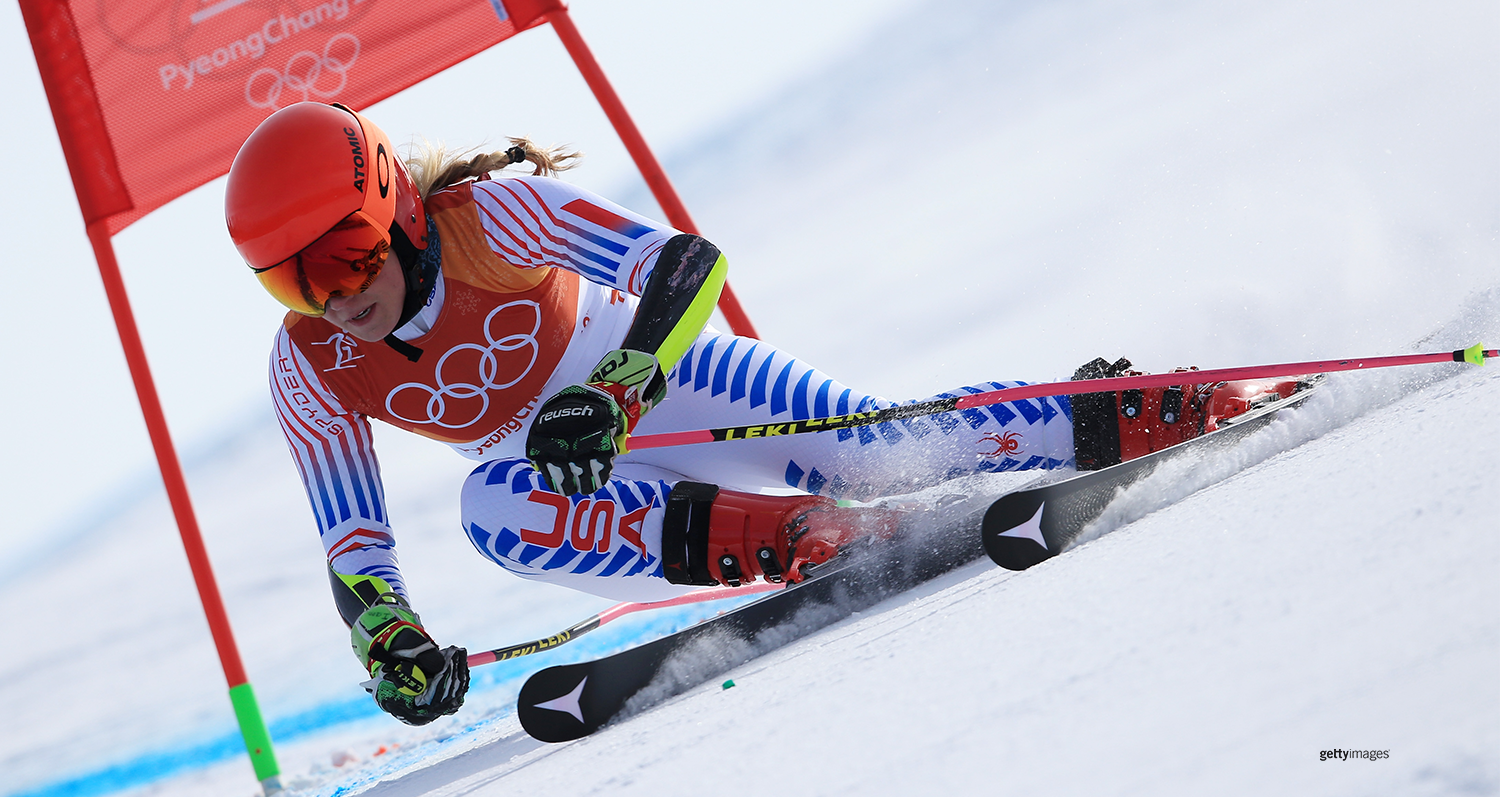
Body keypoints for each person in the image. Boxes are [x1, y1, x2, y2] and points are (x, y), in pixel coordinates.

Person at [225, 102, 1294, 726]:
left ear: (392, 208)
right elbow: (352, 537)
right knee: (491, 504)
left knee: (878, 447)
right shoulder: (311, 365)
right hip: (576, 479)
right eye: (292, 281)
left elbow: (684, 264)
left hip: (656, 382)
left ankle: (1147, 406)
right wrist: (389, 635)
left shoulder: (490, 217)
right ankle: (805, 543)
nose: (333, 296)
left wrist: (619, 385)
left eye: (343, 254)